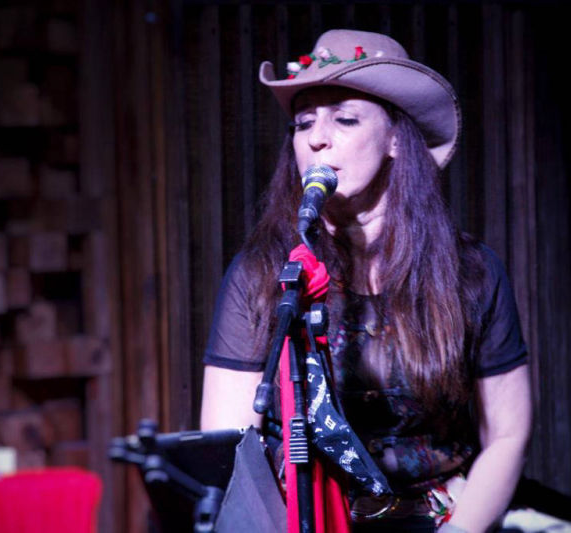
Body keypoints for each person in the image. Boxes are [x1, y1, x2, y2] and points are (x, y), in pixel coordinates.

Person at [200, 29, 532, 533]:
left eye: (345, 119)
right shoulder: (264, 272)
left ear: (396, 138)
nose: (316, 138)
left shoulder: (471, 271)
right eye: (303, 123)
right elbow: (229, 445)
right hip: (306, 521)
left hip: (441, 518)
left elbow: (507, 434)